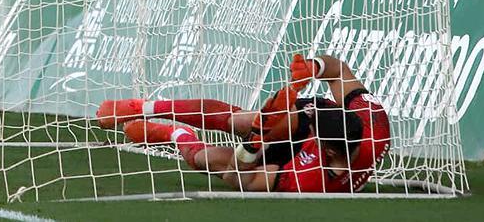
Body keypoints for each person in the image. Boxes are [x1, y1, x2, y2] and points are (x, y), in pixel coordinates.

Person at [99, 53, 391, 193]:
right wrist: (313, 67)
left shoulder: (307, 181)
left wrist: (252, 147)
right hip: (308, 132)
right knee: (245, 120)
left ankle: (174, 133)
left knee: (206, 160)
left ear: (325, 149)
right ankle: (143, 107)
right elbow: (338, 70)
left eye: (315, 127)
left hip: (289, 161)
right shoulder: (372, 122)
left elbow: (240, 179)